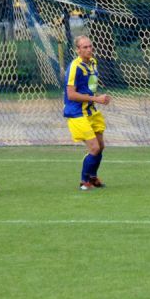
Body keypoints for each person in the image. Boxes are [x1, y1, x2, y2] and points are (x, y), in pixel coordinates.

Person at [64, 35, 112, 190]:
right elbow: (71, 94)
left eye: (90, 46)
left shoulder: (93, 63)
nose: (89, 49)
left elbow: (90, 86)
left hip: (91, 110)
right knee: (94, 148)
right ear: (77, 50)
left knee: (101, 146)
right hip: (77, 113)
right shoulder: (74, 67)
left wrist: (98, 99)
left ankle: (93, 176)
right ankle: (84, 181)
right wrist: (96, 99)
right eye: (84, 47)